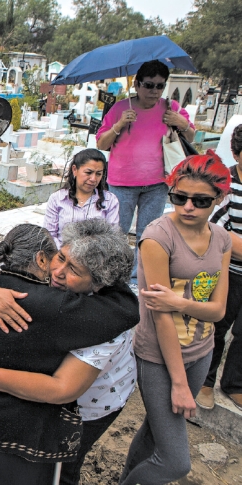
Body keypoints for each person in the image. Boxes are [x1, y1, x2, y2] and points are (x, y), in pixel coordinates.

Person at [0, 222, 138, 484]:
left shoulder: (104, 322)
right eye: (61, 257)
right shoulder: (45, 288)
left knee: (66, 465)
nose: (57, 272)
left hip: (94, 402)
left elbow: (62, 389)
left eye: (74, 270)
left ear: (99, 283)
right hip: (47, 399)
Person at [121, 153, 232, 484]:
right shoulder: (158, 237)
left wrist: (176, 301)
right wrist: (180, 384)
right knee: (175, 462)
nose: (188, 207)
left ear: (219, 199)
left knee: (156, 433)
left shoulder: (221, 238)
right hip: (159, 355)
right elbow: (161, 317)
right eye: (179, 197)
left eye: (200, 201)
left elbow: (219, 310)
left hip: (201, 349)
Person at [97, 60, 196, 286]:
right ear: (137, 84)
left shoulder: (170, 108)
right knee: (117, 233)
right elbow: (102, 143)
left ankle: (136, 279)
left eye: (160, 86)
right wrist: (119, 124)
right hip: (122, 183)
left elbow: (190, 137)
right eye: (149, 85)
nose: (154, 91)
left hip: (157, 183)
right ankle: (113, 279)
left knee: (149, 235)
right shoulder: (122, 108)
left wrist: (181, 122)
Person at [200, 125, 242, 410]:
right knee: (218, 325)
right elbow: (214, 229)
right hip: (229, 270)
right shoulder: (226, 185)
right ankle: (204, 381)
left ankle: (234, 383)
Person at [44, 148, 119, 247]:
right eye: (88, 173)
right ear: (75, 170)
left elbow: (112, 237)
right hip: (62, 256)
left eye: (98, 174)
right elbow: (50, 235)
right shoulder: (57, 199)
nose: (93, 179)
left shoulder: (110, 200)